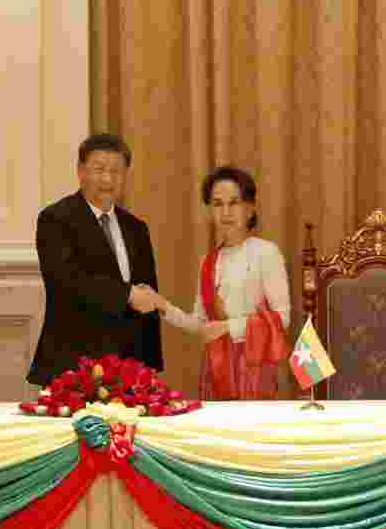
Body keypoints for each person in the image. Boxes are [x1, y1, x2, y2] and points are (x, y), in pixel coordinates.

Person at [27, 134, 163, 386]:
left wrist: (150, 365)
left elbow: (147, 294)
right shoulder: (55, 219)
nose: (107, 179)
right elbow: (66, 281)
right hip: (73, 366)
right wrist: (127, 295)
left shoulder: (136, 228)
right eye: (99, 169)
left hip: (128, 370)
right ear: (80, 172)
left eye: (116, 171)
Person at [153, 166, 291, 400]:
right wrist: (162, 306)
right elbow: (200, 324)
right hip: (216, 368)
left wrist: (227, 327)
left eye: (234, 203)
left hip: (253, 368)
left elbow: (282, 318)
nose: (226, 212)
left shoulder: (266, 252)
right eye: (217, 204)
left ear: (250, 208)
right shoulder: (208, 262)